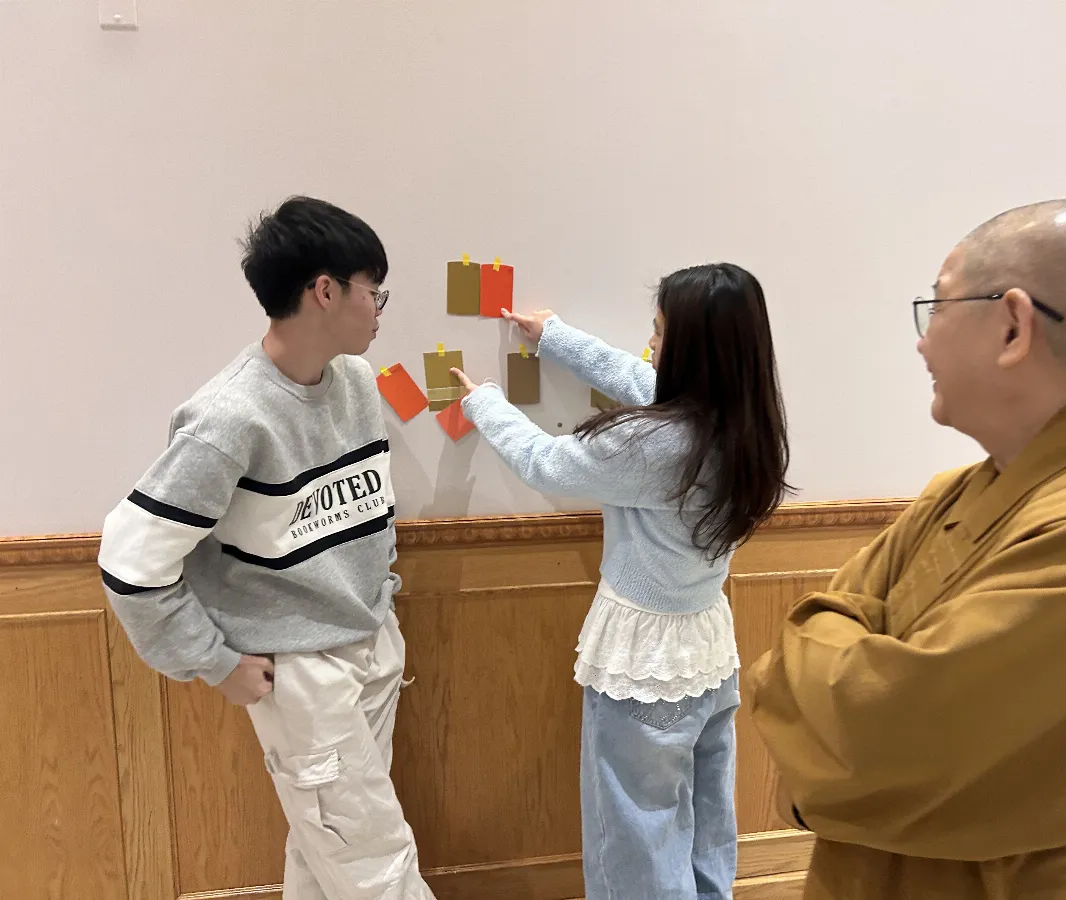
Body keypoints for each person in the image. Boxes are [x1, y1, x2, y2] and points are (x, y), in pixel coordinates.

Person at [745, 199, 1066, 900]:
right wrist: (836, 662)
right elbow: (817, 646)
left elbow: (883, 740)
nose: (922, 344)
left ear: (1013, 326)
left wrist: (833, 661)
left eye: (937, 307)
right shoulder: (954, 493)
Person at [97, 196, 435, 900]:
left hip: (371, 643)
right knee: (374, 866)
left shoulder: (356, 382)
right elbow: (130, 563)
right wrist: (214, 662)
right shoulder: (228, 419)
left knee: (326, 855)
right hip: (300, 674)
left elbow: (365, 516)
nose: (380, 310)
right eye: (374, 291)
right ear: (325, 291)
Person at [448, 263, 790, 900]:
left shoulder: (655, 444)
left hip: (643, 663)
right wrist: (557, 338)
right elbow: (642, 379)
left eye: (660, 331)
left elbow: (545, 463)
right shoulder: (744, 422)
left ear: (692, 349)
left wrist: (484, 401)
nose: (650, 343)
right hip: (707, 651)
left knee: (634, 835)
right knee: (705, 820)